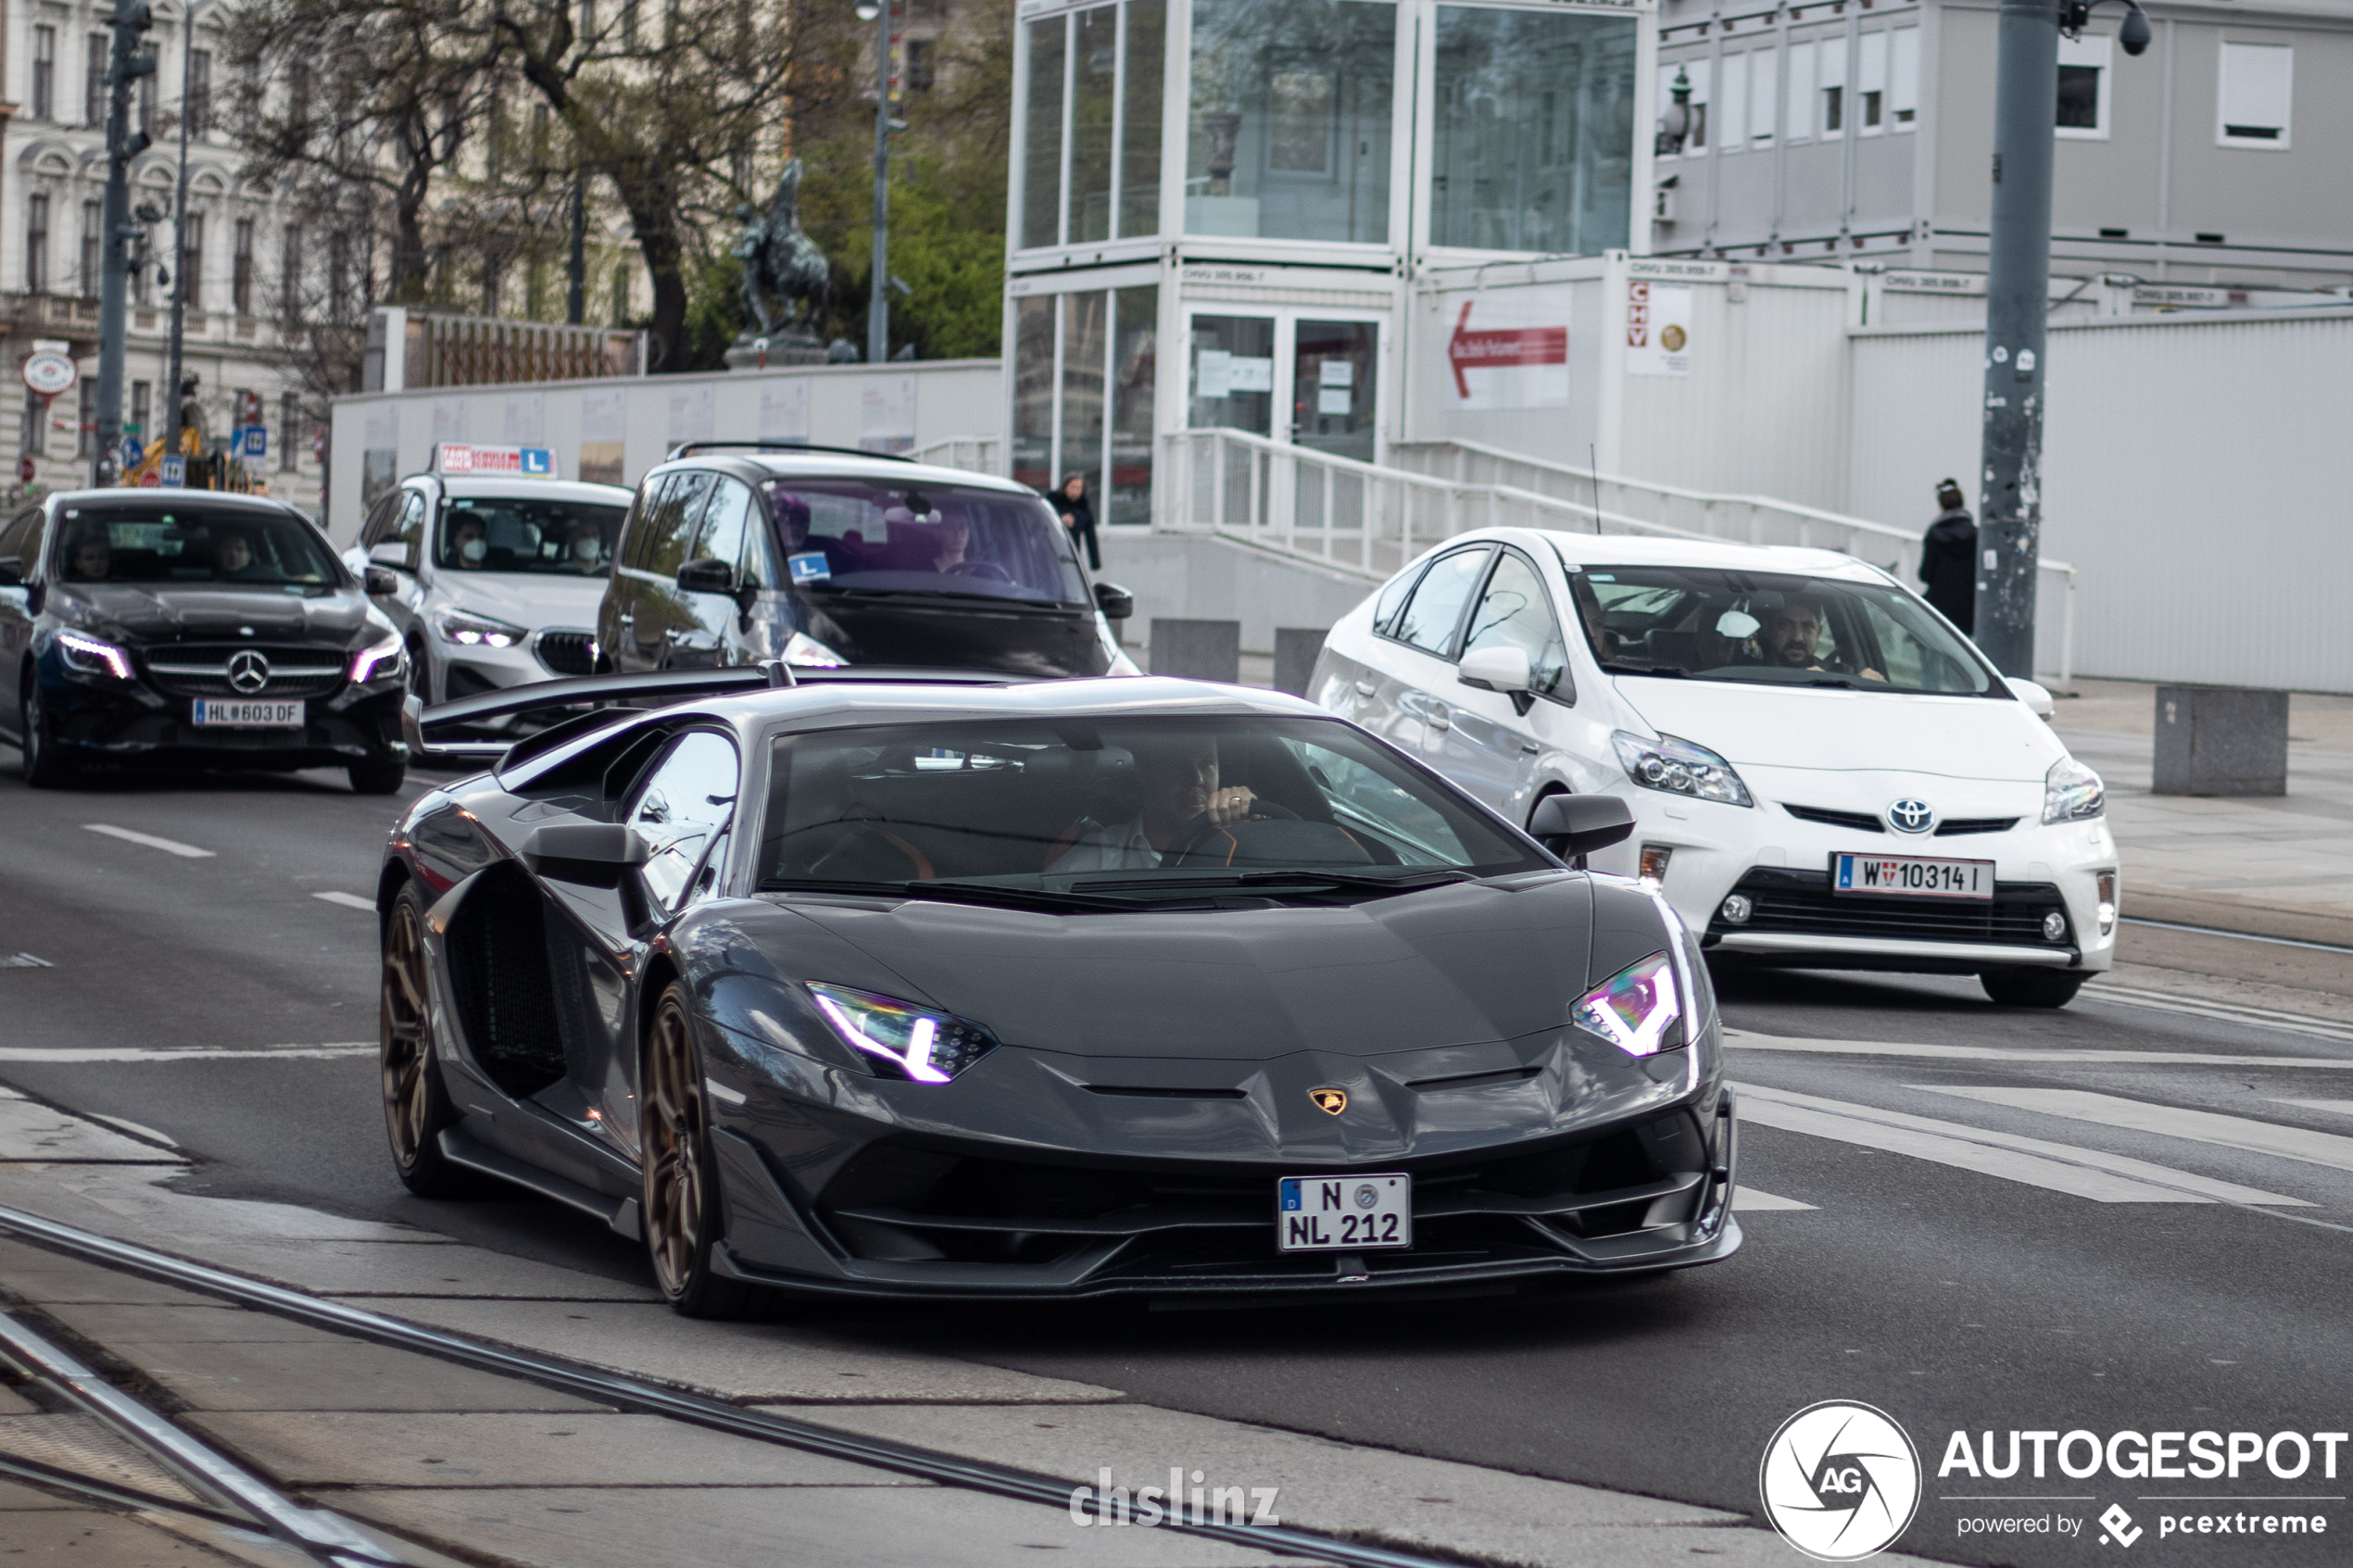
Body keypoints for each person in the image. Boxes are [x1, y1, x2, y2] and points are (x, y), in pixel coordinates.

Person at [1048, 736, 1257, 873]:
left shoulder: (1241, 843)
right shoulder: (1098, 859)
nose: (1197, 778)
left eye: (1206, 763)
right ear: (1145, 774)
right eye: (1176, 765)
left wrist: (1256, 826)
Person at [1759, 597, 1885, 683]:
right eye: (1785, 625)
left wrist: (1874, 684)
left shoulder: (1842, 675)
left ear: (1819, 633)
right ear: (1767, 629)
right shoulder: (1744, 672)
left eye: (1808, 627)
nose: (1797, 637)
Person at [1919, 478, 1976, 633]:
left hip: (1940, 611)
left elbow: (1925, 574)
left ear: (1941, 506)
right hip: (1968, 612)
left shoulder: (1934, 534)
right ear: (1962, 504)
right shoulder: (1977, 535)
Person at [1051, 472, 1100, 571]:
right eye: (1073, 487)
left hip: (1072, 556)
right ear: (1065, 488)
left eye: (1078, 488)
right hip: (1052, 553)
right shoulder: (1053, 504)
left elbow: (1091, 538)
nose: (1075, 491)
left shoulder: (1084, 510)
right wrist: (1059, 520)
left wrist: (1095, 563)